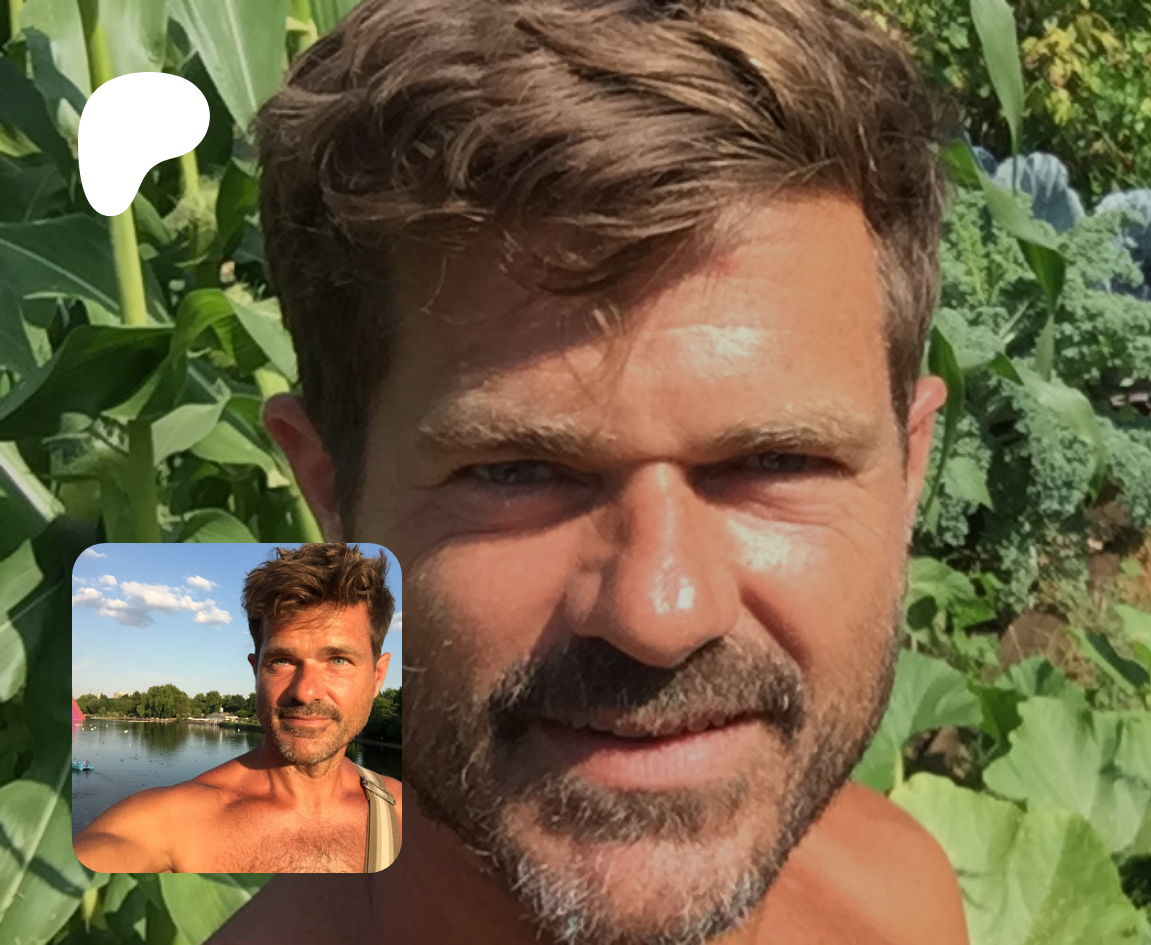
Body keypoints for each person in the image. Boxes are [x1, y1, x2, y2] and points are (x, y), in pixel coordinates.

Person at [208, 0, 968, 941]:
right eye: (517, 471)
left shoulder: (902, 895)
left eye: (778, 461)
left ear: (910, 469)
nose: (660, 614)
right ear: (330, 489)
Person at [73, 544, 403, 873]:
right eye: (282, 660)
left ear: (377, 677)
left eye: (338, 660)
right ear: (256, 671)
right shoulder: (170, 824)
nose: (305, 692)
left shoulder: (408, 815)